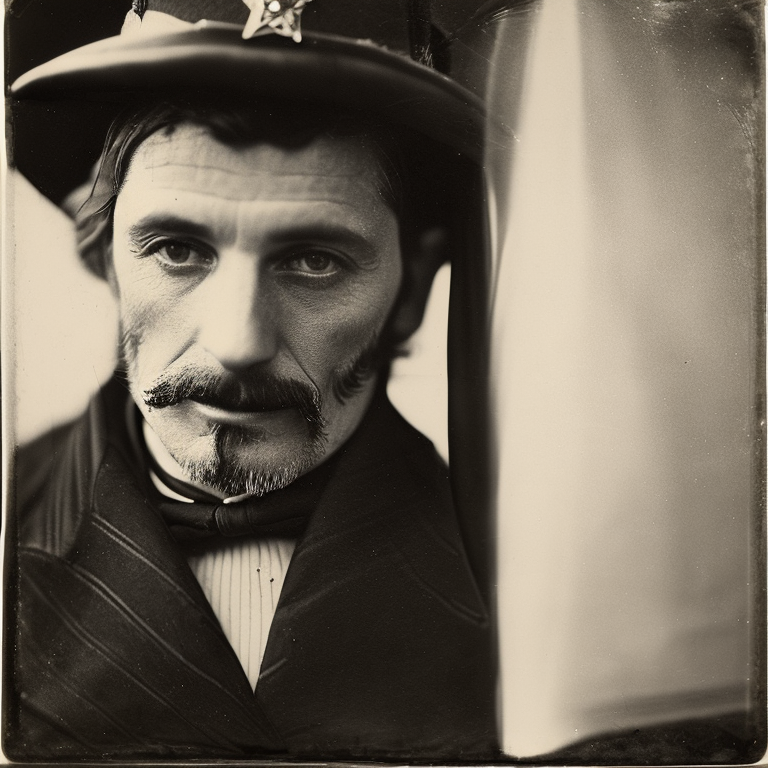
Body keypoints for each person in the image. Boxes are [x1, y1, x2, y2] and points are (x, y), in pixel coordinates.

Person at [4, 0, 497, 761]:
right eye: (177, 249)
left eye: (314, 261)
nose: (238, 343)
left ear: (415, 289)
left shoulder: (529, 577)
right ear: (105, 257)